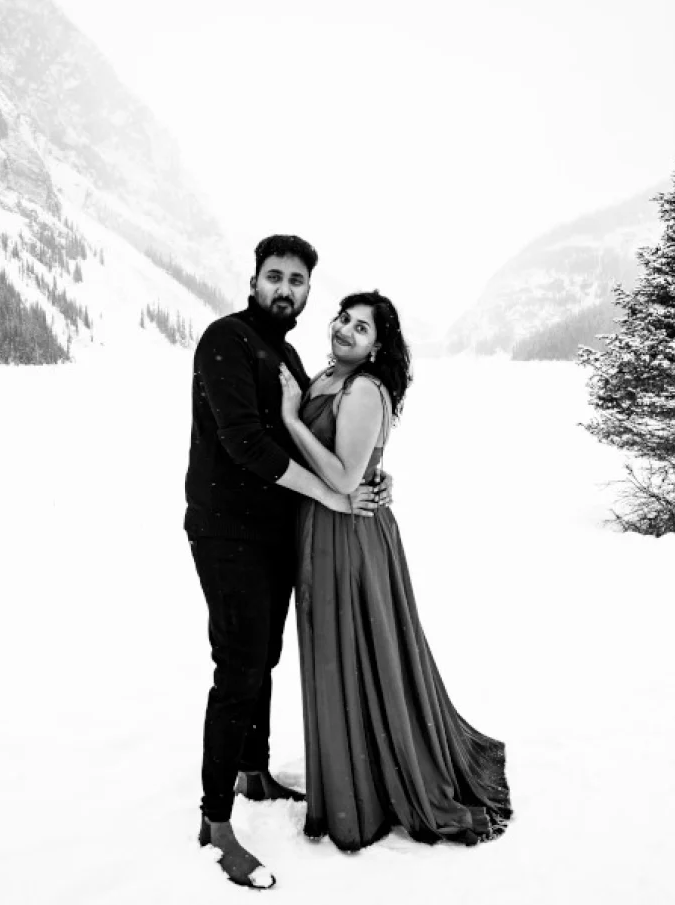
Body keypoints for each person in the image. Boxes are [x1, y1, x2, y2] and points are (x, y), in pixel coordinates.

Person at [184, 236, 390, 890]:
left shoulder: (288, 352)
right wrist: (334, 494)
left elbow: (321, 438)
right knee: (238, 665)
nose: (285, 288)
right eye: (275, 276)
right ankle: (215, 822)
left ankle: (256, 770)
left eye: (297, 280)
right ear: (253, 279)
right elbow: (246, 443)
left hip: (278, 532)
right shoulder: (225, 339)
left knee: (263, 657)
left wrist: (369, 477)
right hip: (226, 532)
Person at [278, 291, 512, 852]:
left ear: (379, 346)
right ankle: (356, 771)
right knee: (345, 649)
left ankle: (371, 784)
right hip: (330, 528)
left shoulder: (363, 389)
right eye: (343, 319)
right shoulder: (335, 376)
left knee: (358, 649)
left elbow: (342, 476)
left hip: (350, 535)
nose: (346, 329)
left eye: (361, 328)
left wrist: (289, 416)